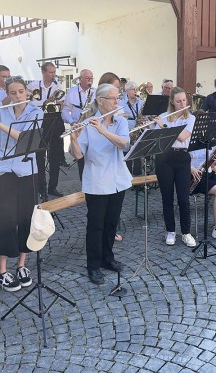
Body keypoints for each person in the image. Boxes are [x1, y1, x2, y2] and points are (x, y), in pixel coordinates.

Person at [68, 83, 131, 285]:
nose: (117, 102)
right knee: (96, 226)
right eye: (113, 98)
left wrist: (102, 130)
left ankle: (107, 258)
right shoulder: (88, 124)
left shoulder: (120, 121)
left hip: (118, 180)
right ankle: (93, 265)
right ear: (100, 101)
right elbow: (78, 155)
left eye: (118, 98)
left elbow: (124, 143)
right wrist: (74, 138)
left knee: (111, 223)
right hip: (97, 182)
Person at [0, 76, 41, 292]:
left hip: (27, 170)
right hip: (4, 170)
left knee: (26, 217)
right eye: (13, 93)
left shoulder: (36, 112)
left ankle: (22, 265)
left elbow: (26, 140)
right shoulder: (2, 111)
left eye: (21, 92)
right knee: (6, 220)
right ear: (7, 94)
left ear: (27, 92)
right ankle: (2, 271)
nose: (17, 96)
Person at [151, 88, 197, 247]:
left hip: (182, 158)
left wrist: (164, 126)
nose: (182, 104)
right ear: (172, 102)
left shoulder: (190, 118)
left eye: (184, 100)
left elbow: (183, 137)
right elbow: (158, 140)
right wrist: (151, 127)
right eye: (178, 101)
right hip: (164, 158)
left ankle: (186, 233)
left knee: (184, 199)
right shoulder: (163, 116)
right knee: (167, 198)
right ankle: (170, 231)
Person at [28, 62, 65, 199]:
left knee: (55, 155)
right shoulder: (33, 86)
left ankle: (52, 187)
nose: (53, 75)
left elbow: (61, 104)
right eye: (51, 72)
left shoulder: (57, 87)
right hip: (39, 121)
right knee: (40, 156)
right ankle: (41, 188)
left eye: (54, 72)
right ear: (43, 72)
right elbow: (29, 102)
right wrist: (42, 103)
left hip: (54, 120)